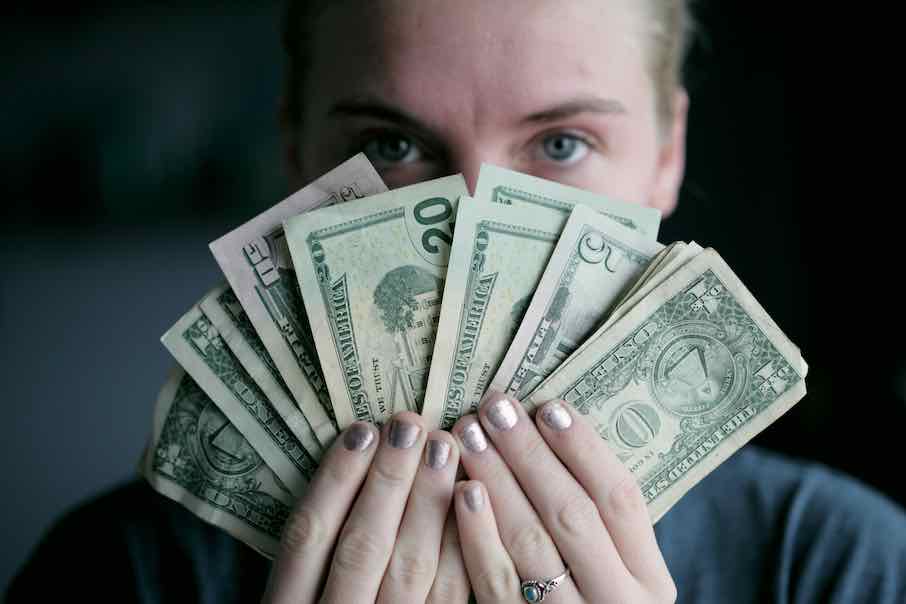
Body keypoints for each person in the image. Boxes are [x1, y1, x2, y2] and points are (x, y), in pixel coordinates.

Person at [8, 1, 906, 602]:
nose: (472, 219)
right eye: (392, 142)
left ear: (668, 153)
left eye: (560, 143)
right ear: (293, 146)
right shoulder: (115, 574)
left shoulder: (847, 565)